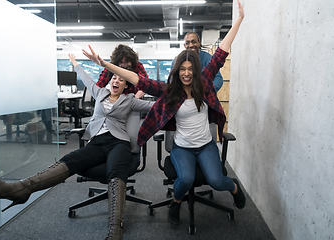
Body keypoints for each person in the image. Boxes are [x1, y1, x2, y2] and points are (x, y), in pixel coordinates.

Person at [83, 0, 245, 226]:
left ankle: (235, 188)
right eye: (183, 70)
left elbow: (221, 52)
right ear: (177, 72)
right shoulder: (170, 91)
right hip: (182, 147)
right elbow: (137, 79)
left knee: (218, 181)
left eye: (190, 70)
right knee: (185, 179)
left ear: (196, 71)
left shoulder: (205, 82)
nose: (187, 74)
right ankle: (176, 202)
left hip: (206, 145)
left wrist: (239, 20)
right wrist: (106, 65)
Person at [0, 54, 154, 240]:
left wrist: (177, 99)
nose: (116, 80)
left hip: (119, 142)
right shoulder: (99, 92)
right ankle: (19, 189)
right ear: (110, 81)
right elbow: (86, 79)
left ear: (126, 85)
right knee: (70, 159)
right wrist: (75, 63)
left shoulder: (130, 100)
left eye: (121, 79)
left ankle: (115, 232)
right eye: (114, 78)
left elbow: (154, 107)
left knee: (116, 171)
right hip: (97, 142)